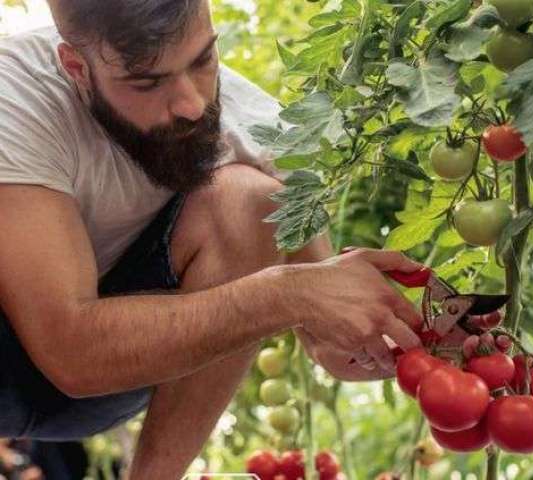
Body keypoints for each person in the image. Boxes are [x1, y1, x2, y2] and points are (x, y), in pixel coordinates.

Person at [0, 0, 425, 477]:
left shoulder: (254, 121)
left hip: (118, 375)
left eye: (202, 60)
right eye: (147, 81)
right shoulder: (14, 96)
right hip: (27, 356)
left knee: (251, 202)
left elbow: (320, 320)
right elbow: (71, 355)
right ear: (75, 67)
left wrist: (372, 340)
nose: (192, 104)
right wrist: (287, 293)